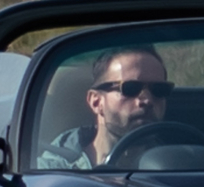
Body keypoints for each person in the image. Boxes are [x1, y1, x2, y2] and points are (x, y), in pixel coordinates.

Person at [36, 45, 175, 168]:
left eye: (158, 89)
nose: (147, 100)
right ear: (96, 102)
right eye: (130, 88)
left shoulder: (177, 166)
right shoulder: (53, 171)